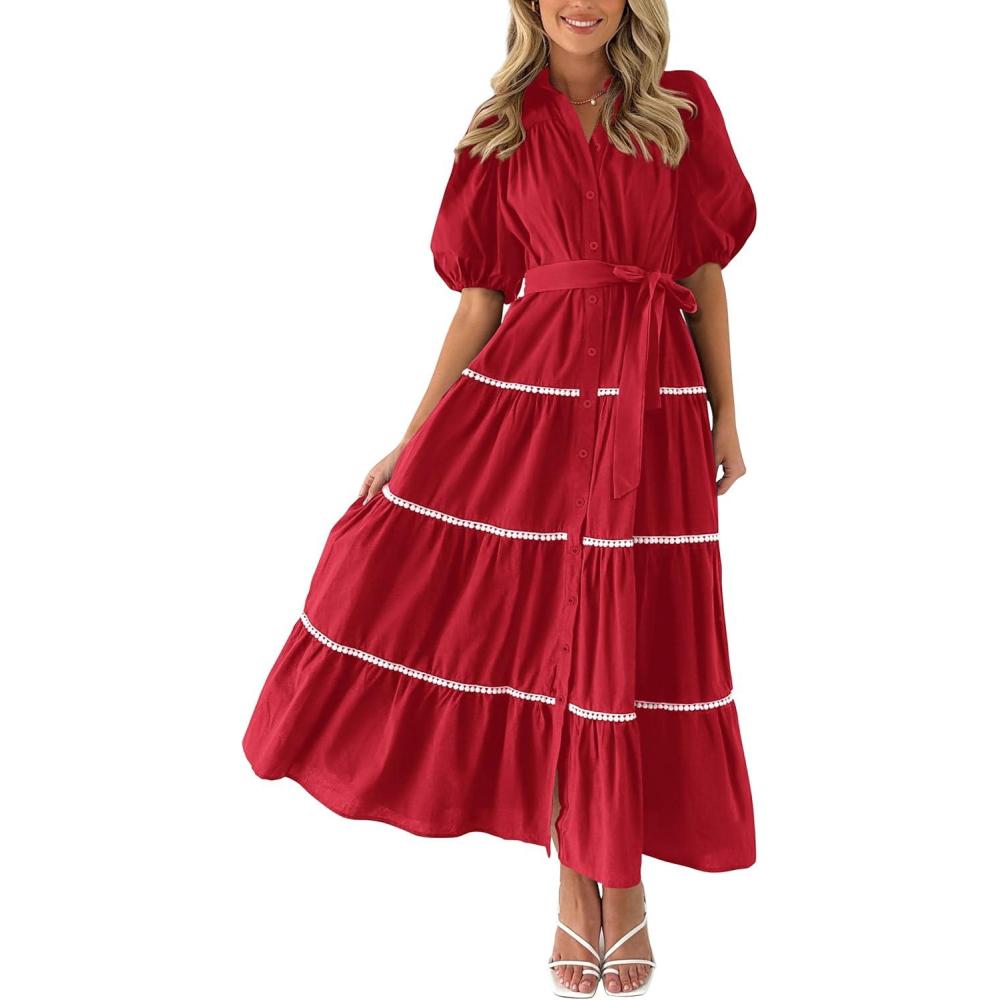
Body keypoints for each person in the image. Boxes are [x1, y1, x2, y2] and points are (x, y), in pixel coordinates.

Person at [243, 1, 757, 995]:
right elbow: (481, 300)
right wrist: (416, 438)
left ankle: (621, 878)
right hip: (533, 405)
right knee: (552, 634)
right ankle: (577, 873)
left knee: (626, 633)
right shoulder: (502, 126)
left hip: (653, 401)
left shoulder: (682, 108)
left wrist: (727, 411)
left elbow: (702, 267)